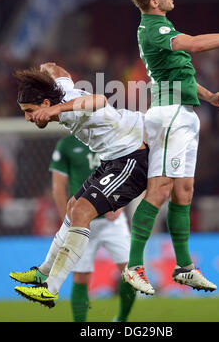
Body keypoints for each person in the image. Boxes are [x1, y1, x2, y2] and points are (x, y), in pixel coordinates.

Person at [123, 0, 219, 295]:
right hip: (169, 116)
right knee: (159, 191)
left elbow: (178, 75)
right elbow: (194, 45)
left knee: (184, 192)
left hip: (182, 114)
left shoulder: (159, 26)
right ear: (154, 1)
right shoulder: (154, 27)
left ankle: (183, 267)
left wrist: (209, 96)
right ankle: (134, 265)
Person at [9, 62, 148, 308]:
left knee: (82, 211)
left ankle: (50, 290)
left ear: (45, 105)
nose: (28, 118)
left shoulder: (66, 108)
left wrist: (57, 111)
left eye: (29, 111)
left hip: (131, 157)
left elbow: (100, 100)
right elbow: (57, 70)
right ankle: (42, 273)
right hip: (112, 158)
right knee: (74, 208)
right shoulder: (59, 93)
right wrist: (46, 70)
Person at [49, 135, 136, 322]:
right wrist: (66, 220)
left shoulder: (113, 137)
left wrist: (120, 204)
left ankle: (121, 319)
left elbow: (129, 172)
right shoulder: (67, 144)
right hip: (82, 222)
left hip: (112, 221)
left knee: (131, 272)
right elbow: (58, 187)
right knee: (80, 277)